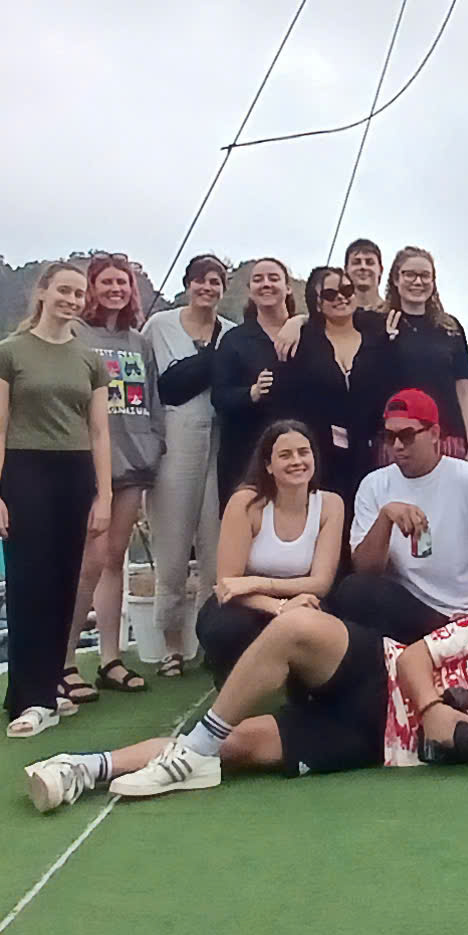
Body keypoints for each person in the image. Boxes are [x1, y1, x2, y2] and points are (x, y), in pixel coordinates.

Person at [23, 587, 468, 808]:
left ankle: (87, 767)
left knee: (246, 751)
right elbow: (417, 653)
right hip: (378, 677)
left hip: (373, 746)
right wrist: (438, 708)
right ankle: (196, 745)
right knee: (299, 627)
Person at [0, 261, 113, 739]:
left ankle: (45, 684)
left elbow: (100, 432)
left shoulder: (88, 358)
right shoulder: (8, 353)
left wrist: (105, 495)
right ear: (42, 292)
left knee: (64, 585)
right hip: (26, 470)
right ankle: (32, 697)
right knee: (27, 582)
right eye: (64, 290)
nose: (72, 300)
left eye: (80, 294)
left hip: (75, 473)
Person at [329, 389, 468, 644]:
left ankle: (459, 637)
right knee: (353, 591)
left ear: (434, 434)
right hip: (412, 607)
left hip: (466, 610)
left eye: (406, 436)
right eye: (389, 436)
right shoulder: (375, 484)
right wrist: (385, 519)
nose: (396, 446)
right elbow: (365, 569)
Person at [72, 255, 165, 697]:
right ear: (92, 288)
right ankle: (64, 660)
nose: (116, 289)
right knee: (85, 563)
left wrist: (154, 443)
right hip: (87, 467)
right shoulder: (75, 335)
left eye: (123, 282)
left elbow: (152, 397)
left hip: (133, 463)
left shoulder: (138, 341)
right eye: (106, 282)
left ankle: (110, 657)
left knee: (115, 560)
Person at [193, 421, 346, 684]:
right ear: (268, 465)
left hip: (301, 599)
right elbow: (227, 586)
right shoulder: (246, 503)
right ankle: (229, 686)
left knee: (325, 625)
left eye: (303, 452)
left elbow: (320, 583)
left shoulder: (331, 504)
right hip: (245, 604)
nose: (296, 461)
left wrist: (256, 582)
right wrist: (279, 606)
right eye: (285, 455)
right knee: (227, 629)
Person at [143, 253, 235, 677]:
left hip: (217, 443)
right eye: (200, 280)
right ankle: (171, 646)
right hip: (173, 444)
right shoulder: (159, 326)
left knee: (216, 553)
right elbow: (155, 386)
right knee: (173, 553)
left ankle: (206, 641)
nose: (207, 288)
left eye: (215, 281)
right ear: (187, 284)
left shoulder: (231, 334)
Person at [274, 266, 383, 507]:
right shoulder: (301, 342)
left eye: (346, 289)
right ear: (318, 303)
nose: (341, 297)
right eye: (330, 294)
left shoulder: (377, 338)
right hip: (318, 454)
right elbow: (286, 401)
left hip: (369, 452)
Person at [373, 246, 468, 457]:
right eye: (409, 274)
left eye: (424, 275)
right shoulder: (376, 323)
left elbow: (464, 388)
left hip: (447, 438)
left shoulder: (450, 327)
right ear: (395, 279)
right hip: (396, 440)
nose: (418, 282)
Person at [211, 258, 299, 500]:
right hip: (245, 455)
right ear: (250, 291)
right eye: (258, 280)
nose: (266, 284)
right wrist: (252, 393)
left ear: (288, 287)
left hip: (299, 456)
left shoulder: (307, 334)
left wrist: (301, 321)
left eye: (273, 278)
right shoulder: (234, 340)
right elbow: (219, 397)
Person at [342, 238, 386, 314]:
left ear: (380, 269)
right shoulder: (338, 315)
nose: (363, 267)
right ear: (346, 269)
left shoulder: (393, 313)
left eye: (370, 262)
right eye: (356, 262)